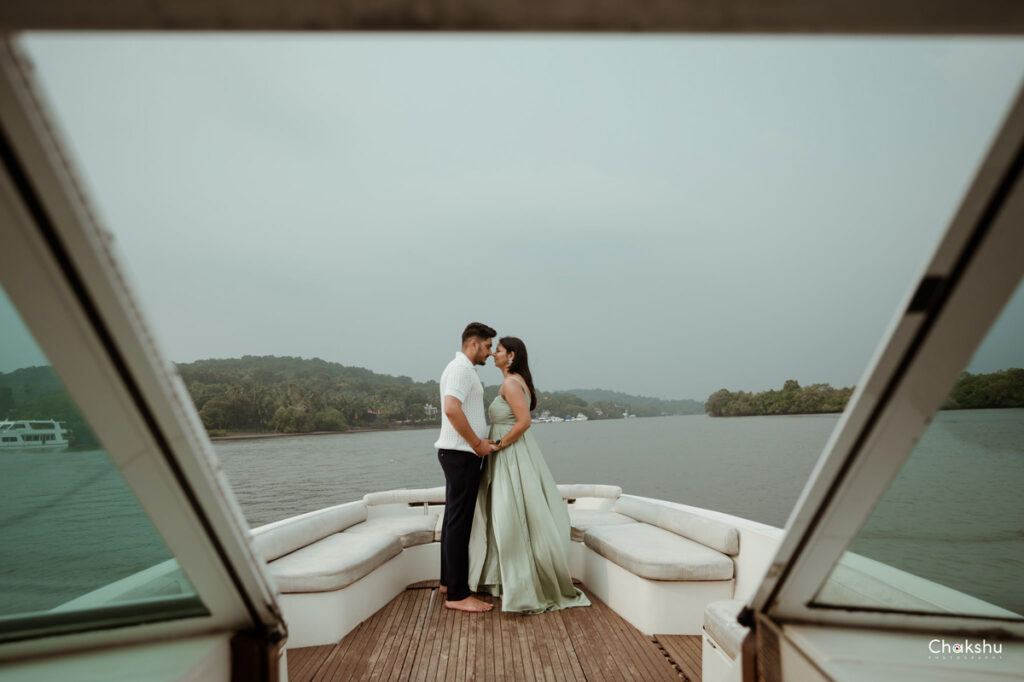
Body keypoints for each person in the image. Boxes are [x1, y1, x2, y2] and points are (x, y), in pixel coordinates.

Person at [468, 336, 590, 613]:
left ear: (510, 355)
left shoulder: (512, 383)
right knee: (509, 512)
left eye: (497, 350)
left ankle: (521, 582)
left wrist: (498, 445)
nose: (493, 354)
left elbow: (524, 422)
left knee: (509, 514)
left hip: (510, 455)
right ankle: (505, 579)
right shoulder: (514, 381)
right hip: (511, 453)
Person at [435, 322, 498, 613]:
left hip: (456, 453)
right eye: (487, 346)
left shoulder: (459, 368)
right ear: (473, 344)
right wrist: (477, 443)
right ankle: (458, 595)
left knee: (453, 520)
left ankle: (449, 582)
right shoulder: (461, 369)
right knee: (459, 524)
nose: (489, 352)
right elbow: (451, 408)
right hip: (461, 454)